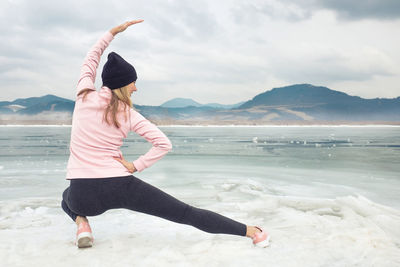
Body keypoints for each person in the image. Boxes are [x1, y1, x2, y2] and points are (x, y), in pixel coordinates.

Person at [61, 19, 270, 249]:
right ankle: (253, 233)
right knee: (186, 213)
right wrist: (135, 165)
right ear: (123, 85)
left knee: (66, 198)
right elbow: (163, 143)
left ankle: (82, 225)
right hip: (119, 185)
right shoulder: (129, 114)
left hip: (83, 195)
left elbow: (91, 58)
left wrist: (111, 33)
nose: (135, 88)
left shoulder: (83, 95)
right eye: (133, 83)